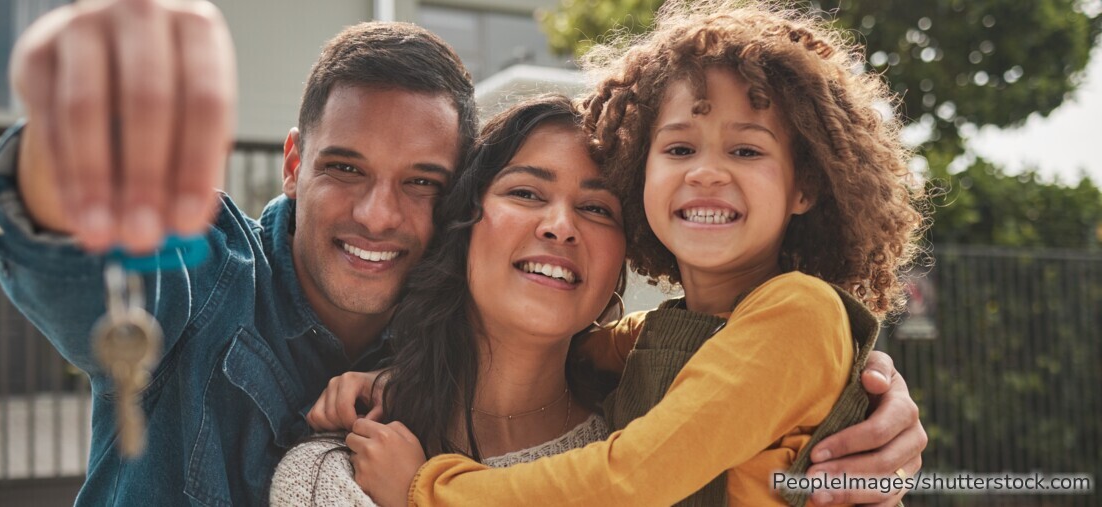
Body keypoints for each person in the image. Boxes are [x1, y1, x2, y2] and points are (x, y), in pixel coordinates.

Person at [0, 0, 921, 504]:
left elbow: (699, 393)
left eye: (423, 181)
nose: (380, 213)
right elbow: (98, 269)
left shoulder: (640, 404)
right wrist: (73, 141)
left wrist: (859, 392)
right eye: (345, 168)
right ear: (293, 162)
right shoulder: (232, 295)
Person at [347, 1, 929, 506]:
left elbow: (629, 480)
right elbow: (556, 356)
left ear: (805, 187)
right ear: (638, 175)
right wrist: (396, 379)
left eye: (746, 151)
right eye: (679, 147)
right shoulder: (669, 330)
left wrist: (426, 490)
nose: (705, 172)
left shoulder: (798, 312)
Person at [270, 94, 622, 506]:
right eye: (526, 193)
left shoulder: (656, 441)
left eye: (597, 208)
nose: (561, 227)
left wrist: (419, 496)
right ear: (460, 226)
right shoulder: (335, 471)